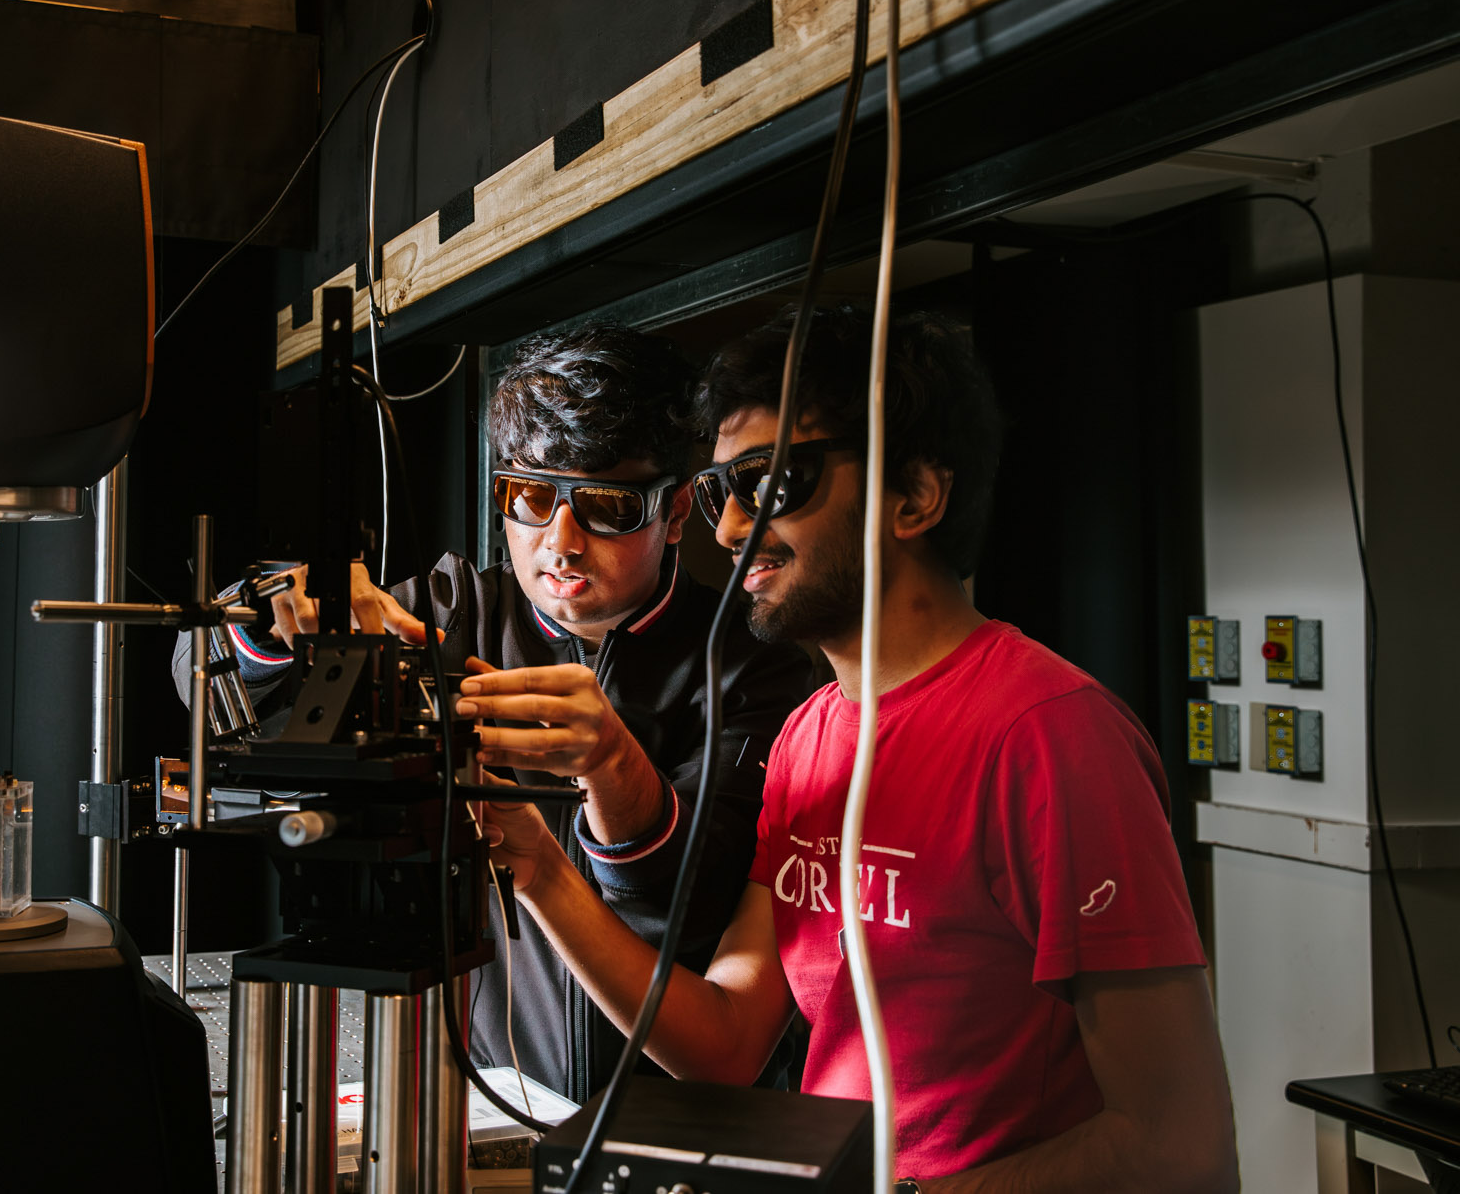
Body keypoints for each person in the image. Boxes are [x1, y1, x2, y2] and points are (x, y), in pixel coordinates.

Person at [477, 307, 1239, 1191]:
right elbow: (724, 1041)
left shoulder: (1049, 735)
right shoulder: (810, 735)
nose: (731, 532)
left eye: (773, 483)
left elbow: (1181, 1143)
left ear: (915, 495)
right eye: (726, 491)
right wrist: (538, 867)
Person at [177, 324, 815, 1102]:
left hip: (686, 1116)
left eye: (608, 505)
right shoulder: (455, 612)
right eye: (532, 498)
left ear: (677, 511)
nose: (561, 541)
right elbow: (205, 687)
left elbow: (686, 895)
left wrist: (612, 766)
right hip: (500, 1099)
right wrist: (279, 624)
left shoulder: (759, 667)